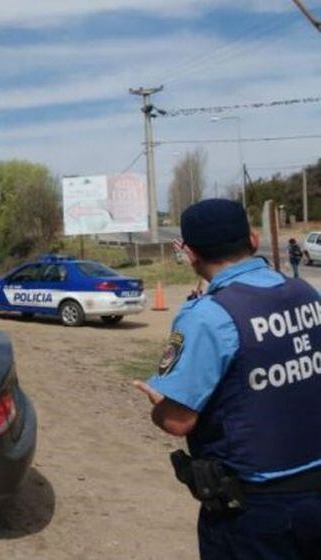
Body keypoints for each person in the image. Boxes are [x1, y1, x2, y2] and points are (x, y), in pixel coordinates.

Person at [135, 199, 321, 559]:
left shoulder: (208, 315)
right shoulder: (306, 294)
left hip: (257, 512)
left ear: (189, 254)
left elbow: (177, 421)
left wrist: (159, 405)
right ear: (253, 239)